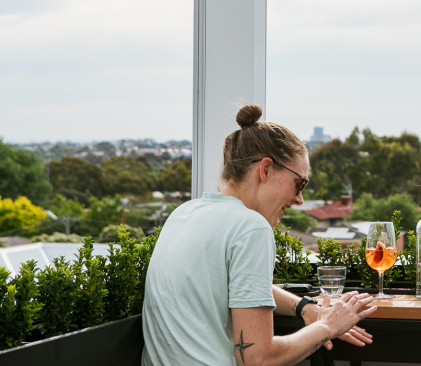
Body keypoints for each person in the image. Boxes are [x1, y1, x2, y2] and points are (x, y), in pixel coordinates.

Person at [141, 104, 376, 366]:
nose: (299, 199)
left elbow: (235, 285)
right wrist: (329, 327)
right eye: (300, 183)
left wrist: (305, 308)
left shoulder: (184, 214)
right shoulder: (250, 227)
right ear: (265, 170)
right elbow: (258, 359)